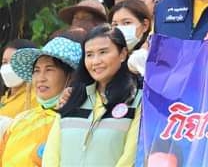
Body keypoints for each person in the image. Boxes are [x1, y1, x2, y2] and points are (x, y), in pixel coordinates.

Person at [43, 25, 142, 167]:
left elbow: (131, 156)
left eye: (103, 52)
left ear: (122, 54)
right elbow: (52, 154)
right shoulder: (72, 99)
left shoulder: (137, 100)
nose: (95, 61)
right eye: (89, 54)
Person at [1, 33, 82, 166]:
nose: (41, 78)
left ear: (71, 76)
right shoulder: (20, 120)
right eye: (36, 70)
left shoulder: (74, 122)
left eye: (49, 70)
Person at [109, 0, 152, 77]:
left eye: (127, 23)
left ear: (145, 25)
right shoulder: (111, 58)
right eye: (115, 25)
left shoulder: (155, 57)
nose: (120, 28)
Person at [0, 40, 37, 120]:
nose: (8, 67)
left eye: (15, 63)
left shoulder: (35, 99)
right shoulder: (4, 98)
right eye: (5, 62)